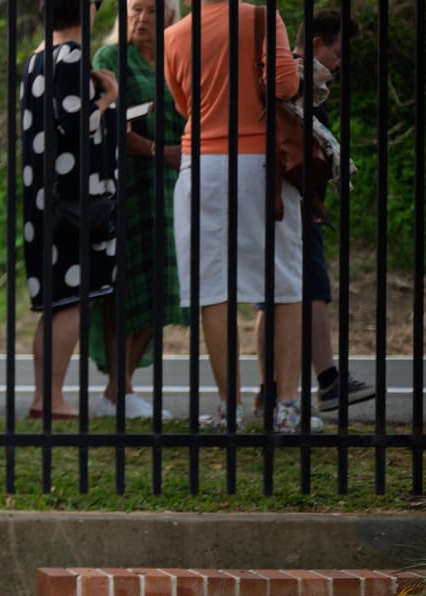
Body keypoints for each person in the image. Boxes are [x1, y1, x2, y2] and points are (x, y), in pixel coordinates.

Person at [164, 0, 308, 432]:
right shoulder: (262, 17)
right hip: (258, 159)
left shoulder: (176, 34)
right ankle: (285, 408)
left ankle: (231, 409)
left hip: (201, 164)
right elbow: (284, 84)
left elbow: (182, 104)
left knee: (213, 287)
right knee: (283, 280)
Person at [249, 8, 370, 415]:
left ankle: (272, 389)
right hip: (296, 201)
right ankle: (327, 380)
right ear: (318, 44)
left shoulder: (285, 77)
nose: (339, 62)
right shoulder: (298, 78)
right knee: (311, 287)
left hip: (278, 199)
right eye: (338, 51)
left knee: (274, 296)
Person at [19, 0, 118, 422]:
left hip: (46, 196)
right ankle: (51, 398)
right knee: (74, 300)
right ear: (87, 11)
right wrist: (109, 98)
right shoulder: (74, 55)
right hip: (76, 200)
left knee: (58, 301)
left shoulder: (39, 55)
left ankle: (46, 396)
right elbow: (74, 123)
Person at [86, 0, 183, 420]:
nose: (140, 19)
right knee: (123, 287)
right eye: (133, 11)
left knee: (163, 287)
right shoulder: (110, 57)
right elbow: (108, 124)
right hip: (126, 182)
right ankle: (119, 390)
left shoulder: (177, 55)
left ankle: (119, 390)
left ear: (168, 17)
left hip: (171, 185)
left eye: (149, 11)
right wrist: (159, 150)